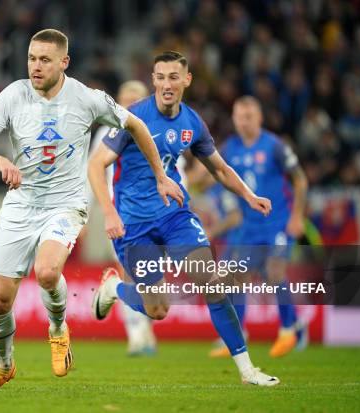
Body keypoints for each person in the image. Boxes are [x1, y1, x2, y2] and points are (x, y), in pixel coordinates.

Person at [0, 29, 183, 389]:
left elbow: (137, 124)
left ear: (64, 62)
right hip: (21, 204)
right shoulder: (12, 96)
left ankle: (58, 329)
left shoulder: (87, 99)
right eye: (32, 58)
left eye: (45, 59)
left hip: (65, 204)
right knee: (0, 301)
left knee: (47, 272)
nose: (36, 66)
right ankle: (4, 364)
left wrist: (160, 174)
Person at [89, 51, 280, 386]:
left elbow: (218, 168)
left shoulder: (192, 122)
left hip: (175, 215)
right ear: (153, 80)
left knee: (212, 282)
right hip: (133, 224)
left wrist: (249, 196)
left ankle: (248, 370)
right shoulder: (132, 117)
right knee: (158, 310)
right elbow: (95, 165)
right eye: (160, 77)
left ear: (186, 80)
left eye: (173, 77)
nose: (166, 84)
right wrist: (108, 212)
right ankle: (113, 288)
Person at [212, 96, 309, 358]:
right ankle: (239, 334)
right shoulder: (230, 149)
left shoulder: (275, 146)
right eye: (240, 116)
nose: (244, 121)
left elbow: (300, 180)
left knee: (274, 273)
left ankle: (288, 330)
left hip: (277, 223)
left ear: (260, 118)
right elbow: (215, 172)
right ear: (233, 119)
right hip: (248, 229)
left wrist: (297, 216)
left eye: (249, 116)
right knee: (237, 280)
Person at [90, 80, 158, 356]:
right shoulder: (107, 131)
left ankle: (145, 332)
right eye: (125, 97)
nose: (130, 103)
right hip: (120, 213)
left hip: (158, 213)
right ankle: (136, 334)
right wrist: (84, 214)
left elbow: (175, 171)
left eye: (136, 98)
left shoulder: (155, 130)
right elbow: (92, 170)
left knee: (150, 277)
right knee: (131, 272)